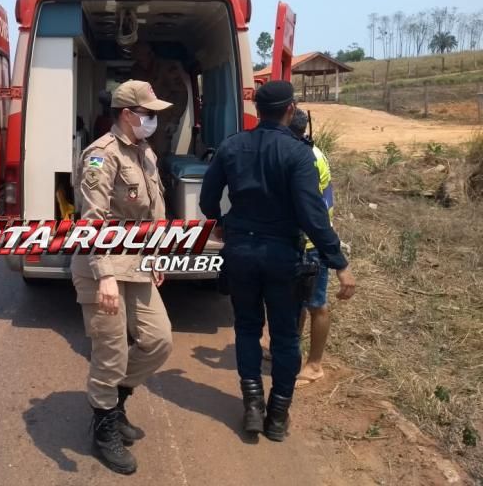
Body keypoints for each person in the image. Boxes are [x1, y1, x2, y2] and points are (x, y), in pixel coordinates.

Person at [199, 80, 356, 442]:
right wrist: (339, 262)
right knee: (285, 338)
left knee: (247, 329)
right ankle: (277, 415)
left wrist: (220, 223)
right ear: (290, 109)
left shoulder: (232, 146)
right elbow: (313, 215)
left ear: (257, 110)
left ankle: (252, 407)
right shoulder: (299, 154)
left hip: (239, 253)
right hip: (282, 256)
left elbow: (209, 196)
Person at [71, 79, 174, 474]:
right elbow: (91, 221)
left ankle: (115, 401)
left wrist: (157, 253)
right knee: (110, 354)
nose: (154, 120)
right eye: (148, 114)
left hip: (137, 262)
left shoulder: (144, 151)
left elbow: (153, 212)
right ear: (128, 114)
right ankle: (104, 428)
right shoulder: (102, 155)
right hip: (104, 267)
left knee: (158, 340)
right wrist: (105, 276)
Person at [288, 109, 334, 388]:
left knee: (316, 304)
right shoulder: (307, 151)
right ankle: (291, 351)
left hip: (313, 242)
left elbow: (307, 205)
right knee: (297, 301)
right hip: (302, 240)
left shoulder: (310, 159)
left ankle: (315, 365)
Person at [130, 42, 189, 160]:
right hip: (142, 116)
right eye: (137, 57)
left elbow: (181, 93)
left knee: (161, 152)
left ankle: (160, 177)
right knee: (140, 152)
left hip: (163, 117)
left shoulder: (167, 67)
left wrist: (174, 120)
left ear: (150, 54)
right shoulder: (136, 69)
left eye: (142, 56)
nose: (141, 60)